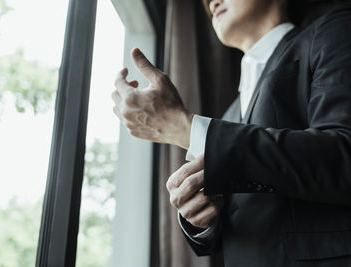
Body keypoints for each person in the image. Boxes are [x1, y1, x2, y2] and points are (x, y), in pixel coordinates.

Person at [112, 0, 351, 266]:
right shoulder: (229, 115)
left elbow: (344, 154)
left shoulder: (336, 27)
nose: (210, 2)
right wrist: (201, 220)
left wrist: (184, 127)